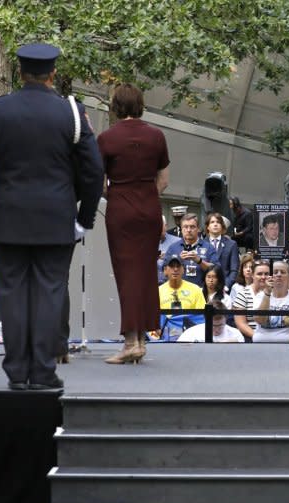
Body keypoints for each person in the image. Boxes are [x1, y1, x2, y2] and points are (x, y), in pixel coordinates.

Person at [0, 43, 104, 390]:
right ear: (52, 73)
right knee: (50, 292)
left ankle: (15, 372)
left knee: (10, 294)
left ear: (20, 73)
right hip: (56, 220)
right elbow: (93, 169)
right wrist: (84, 218)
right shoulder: (70, 112)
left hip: (8, 220)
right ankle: (42, 372)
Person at [97, 83, 169, 363]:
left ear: (116, 106)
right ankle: (141, 339)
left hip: (121, 211)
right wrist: (146, 195)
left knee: (126, 275)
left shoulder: (106, 138)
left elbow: (100, 183)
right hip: (149, 209)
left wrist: (120, 194)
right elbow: (164, 180)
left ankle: (130, 343)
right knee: (146, 273)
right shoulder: (157, 136)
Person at [147, 254, 207, 347]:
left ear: (183, 270)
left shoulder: (195, 289)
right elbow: (150, 322)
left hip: (190, 341)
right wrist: (156, 338)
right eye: (171, 266)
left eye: (178, 266)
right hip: (164, 340)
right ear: (165, 270)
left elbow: (202, 319)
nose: (175, 269)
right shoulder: (157, 292)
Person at [252, 260, 289, 343]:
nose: (279, 275)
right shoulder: (260, 296)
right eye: (275, 272)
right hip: (260, 345)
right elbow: (260, 320)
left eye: (282, 272)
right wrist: (267, 293)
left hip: (286, 346)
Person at [164, 214, 218, 287]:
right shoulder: (173, 248)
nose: (189, 230)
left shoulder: (208, 247)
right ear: (181, 229)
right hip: (179, 292)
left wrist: (199, 261)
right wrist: (178, 260)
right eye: (185, 227)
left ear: (198, 229)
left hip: (201, 292)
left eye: (192, 227)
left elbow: (216, 270)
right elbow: (165, 272)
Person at [232, 259, 271, 342]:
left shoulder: (276, 293)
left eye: (266, 274)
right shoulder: (243, 294)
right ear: (252, 275)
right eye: (259, 274)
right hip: (251, 338)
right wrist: (258, 337)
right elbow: (241, 323)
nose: (263, 277)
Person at [176, 301, 244, 343]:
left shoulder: (235, 334)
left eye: (220, 325)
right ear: (205, 320)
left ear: (226, 319)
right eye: (213, 326)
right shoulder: (191, 333)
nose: (217, 329)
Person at [204, 212, 239, 289]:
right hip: (204, 288)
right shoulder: (201, 244)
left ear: (222, 227)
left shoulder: (232, 244)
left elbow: (234, 270)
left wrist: (226, 286)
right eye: (212, 222)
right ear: (208, 227)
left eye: (218, 222)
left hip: (224, 288)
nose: (215, 224)